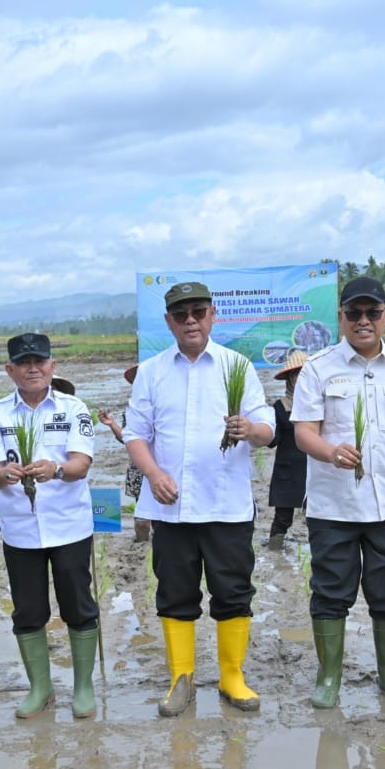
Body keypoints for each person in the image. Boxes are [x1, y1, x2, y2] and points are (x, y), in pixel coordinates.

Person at [126, 281, 275, 716]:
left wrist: (252, 431)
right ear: (169, 321)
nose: (190, 320)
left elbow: (266, 427)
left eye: (197, 312)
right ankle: (182, 679)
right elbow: (136, 434)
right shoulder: (152, 371)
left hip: (225, 504)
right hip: (170, 507)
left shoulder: (237, 366)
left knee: (232, 592)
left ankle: (232, 677)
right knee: (175, 592)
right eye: (180, 314)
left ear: (213, 315)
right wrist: (153, 474)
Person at [292, 276, 385, 708]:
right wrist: (331, 452)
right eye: (354, 313)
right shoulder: (318, 368)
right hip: (333, 506)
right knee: (331, 591)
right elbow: (303, 433)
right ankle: (329, 677)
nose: (363, 321)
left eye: (373, 312)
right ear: (341, 318)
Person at [0, 333, 100, 719]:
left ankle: (82, 686)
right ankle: (40, 688)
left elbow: (81, 464)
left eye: (40, 361)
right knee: (28, 611)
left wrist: (56, 469)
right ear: (10, 369)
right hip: (21, 531)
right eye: (24, 362)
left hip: (69, 528)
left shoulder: (74, 408)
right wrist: (6, 474)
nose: (33, 368)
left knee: (78, 607)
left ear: (52, 366)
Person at [98, 364, 152, 543]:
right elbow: (128, 439)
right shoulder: (132, 409)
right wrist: (112, 424)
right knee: (142, 520)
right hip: (140, 468)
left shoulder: (172, 404)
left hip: (168, 466)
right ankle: (143, 546)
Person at [266, 351, 310, 548]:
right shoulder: (280, 407)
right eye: (295, 375)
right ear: (289, 380)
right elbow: (272, 440)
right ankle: (275, 549)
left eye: (304, 375)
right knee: (283, 518)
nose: (300, 380)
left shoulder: (319, 405)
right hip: (288, 470)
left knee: (316, 517)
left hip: (313, 470)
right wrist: (260, 429)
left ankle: (319, 552)